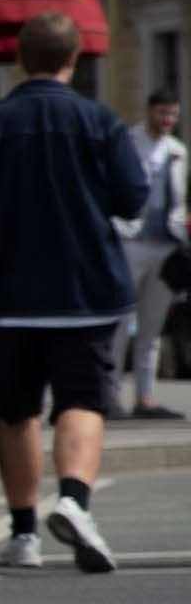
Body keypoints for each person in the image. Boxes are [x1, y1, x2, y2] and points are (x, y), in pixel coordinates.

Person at [0, 11, 149, 572]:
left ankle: (24, 534)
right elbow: (132, 199)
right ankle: (74, 501)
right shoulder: (99, 120)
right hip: (86, 291)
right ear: (74, 58)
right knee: (83, 401)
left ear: (19, 59)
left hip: (4, 296)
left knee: (16, 412)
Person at [113, 89, 185, 420]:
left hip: (166, 245)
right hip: (131, 241)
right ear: (148, 111)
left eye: (173, 115)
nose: (167, 120)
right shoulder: (127, 143)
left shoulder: (178, 151)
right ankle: (111, 395)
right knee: (120, 322)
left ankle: (145, 397)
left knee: (153, 327)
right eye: (162, 113)